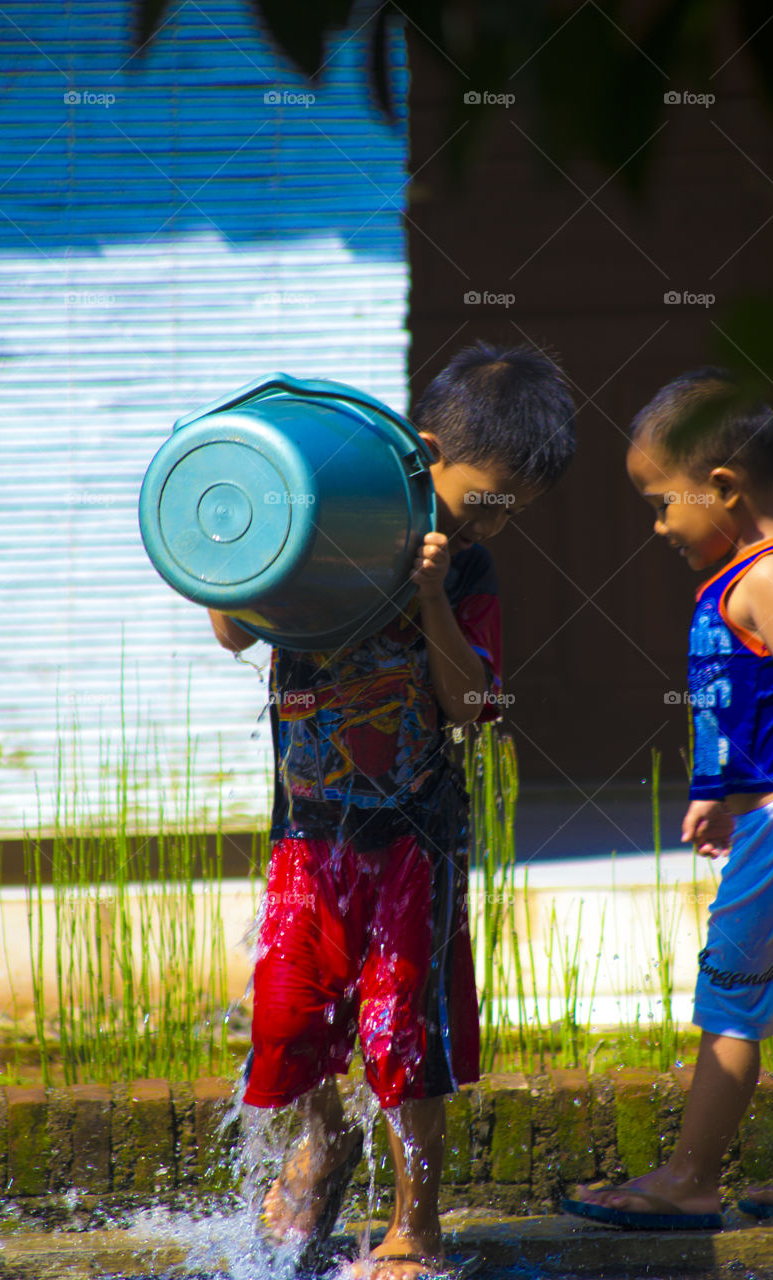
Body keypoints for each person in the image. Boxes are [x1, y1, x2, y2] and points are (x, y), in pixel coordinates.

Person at [209, 342, 577, 1278]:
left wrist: (430, 599)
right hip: (308, 834)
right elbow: (230, 629)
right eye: (490, 495)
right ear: (424, 452)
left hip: (416, 837)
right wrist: (233, 549)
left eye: (517, 510)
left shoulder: (466, 574)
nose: (499, 520)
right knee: (289, 1025)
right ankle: (326, 1145)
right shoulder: (328, 533)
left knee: (400, 1037)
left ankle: (418, 1225)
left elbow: (471, 706)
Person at [563, 368, 773, 1230]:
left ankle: (691, 1178)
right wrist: (714, 793)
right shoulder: (746, 575)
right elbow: (739, 702)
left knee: (730, 998)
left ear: (721, 488)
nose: (656, 525)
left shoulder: (772, 575)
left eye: (661, 503)